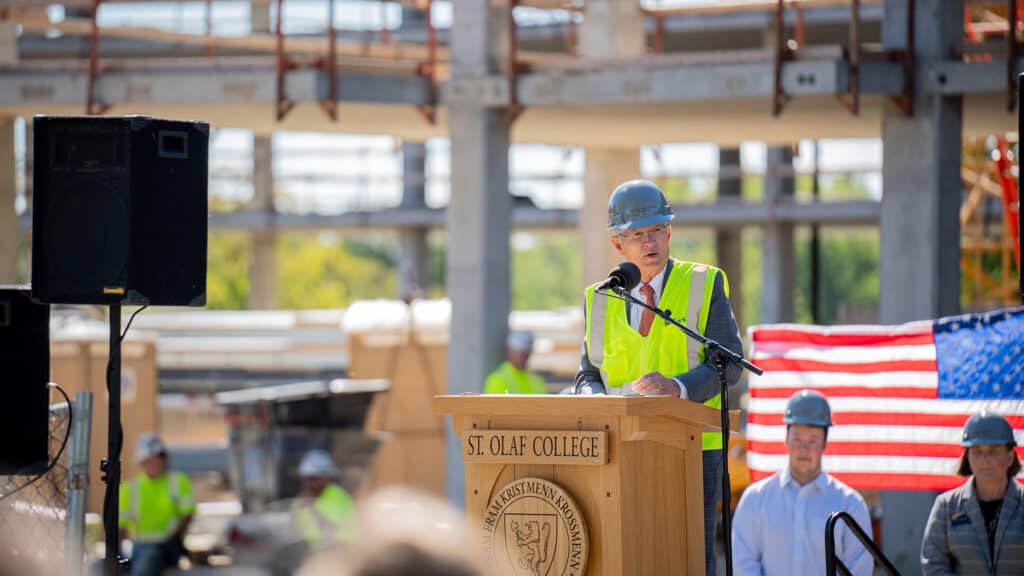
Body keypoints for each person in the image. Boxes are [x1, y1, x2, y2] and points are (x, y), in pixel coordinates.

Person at [574, 179, 743, 575]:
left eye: (655, 231)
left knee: (686, 559)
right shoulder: (598, 299)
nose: (648, 243)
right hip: (619, 446)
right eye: (636, 235)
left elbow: (729, 364)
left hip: (694, 450)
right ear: (619, 245)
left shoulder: (704, 283)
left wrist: (678, 388)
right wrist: (597, 402)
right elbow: (587, 374)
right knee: (626, 555)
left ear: (668, 232)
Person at [731, 390, 873, 576]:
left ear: (824, 443)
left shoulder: (850, 505)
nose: (803, 449)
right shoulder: (755, 499)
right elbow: (742, 563)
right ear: (786, 439)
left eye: (813, 440)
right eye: (797, 439)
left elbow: (858, 569)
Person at [921, 412, 1024, 575]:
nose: (985, 459)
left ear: (1010, 457)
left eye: (993, 451)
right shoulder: (947, 506)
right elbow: (934, 563)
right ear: (967, 457)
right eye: (977, 451)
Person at [118, 433, 195, 576]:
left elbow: (188, 514)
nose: (159, 461)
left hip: (170, 547)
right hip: (140, 547)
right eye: (153, 458)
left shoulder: (178, 481)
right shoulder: (130, 488)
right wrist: (116, 553)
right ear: (143, 461)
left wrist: (174, 538)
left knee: (150, 559)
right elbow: (120, 526)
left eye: (161, 457)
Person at [483, 330, 546, 394]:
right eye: (518, 351)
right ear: (509, 350)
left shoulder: (537, 381)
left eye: (525, 352)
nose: (522, 355)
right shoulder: (496, 380)